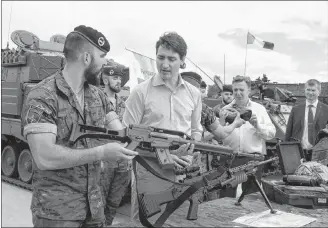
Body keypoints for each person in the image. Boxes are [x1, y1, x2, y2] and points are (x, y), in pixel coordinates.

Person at [21, 25, 138, 227]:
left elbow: (121, 134)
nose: (105, 63)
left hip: (94, 209)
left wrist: (164, 147)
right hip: (57, 212)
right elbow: (44, 157)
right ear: (86, 58)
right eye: (102, 57)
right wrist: (101, 152)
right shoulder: (42, 96)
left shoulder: (98, 96)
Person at [122, 32, 203, 221]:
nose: (165, 64)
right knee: (144, 222)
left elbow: (196, 130)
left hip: (182, 173)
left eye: (172, 59)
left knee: (176, 220)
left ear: (183, 61)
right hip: (147, 174)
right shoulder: (140, 92)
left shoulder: (194, 94)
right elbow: (127, 137)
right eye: (161, 57)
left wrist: (193, 145)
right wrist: (163, 155)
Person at [220, 75, 276, 196]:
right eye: (235, 90)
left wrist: (257, 125)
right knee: (225, 195)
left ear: (249, 90)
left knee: (251, 197)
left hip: (252, 159)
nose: (238, 93)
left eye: (242, 90)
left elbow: (271, 134)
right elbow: (218, 135)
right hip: (229, 158)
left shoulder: (259, 109)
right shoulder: (224, 110)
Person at [98, 61, 131, 225]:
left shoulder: (123, 102)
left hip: (121, 162)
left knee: (114, 202)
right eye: (115, 77)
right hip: (103, 160)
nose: (119, 81)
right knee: (98, 202)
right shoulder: (95, 100)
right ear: (105, 80)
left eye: (120, 78)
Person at [285, 79, 328, 161]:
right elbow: (288, 132)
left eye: (313, 90)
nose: (310, 93)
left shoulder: (326, 110)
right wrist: (286, 151)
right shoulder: (295, 109)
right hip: (298, 153)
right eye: (308, 90)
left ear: (319, 92)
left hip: (320, 154)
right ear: (304, 90)